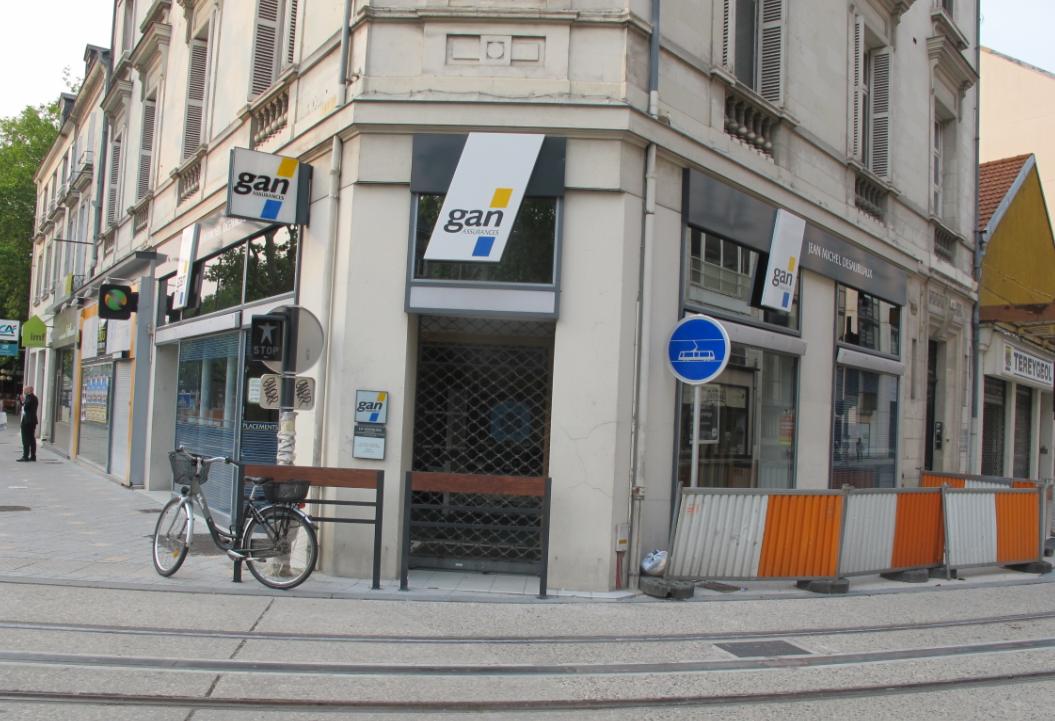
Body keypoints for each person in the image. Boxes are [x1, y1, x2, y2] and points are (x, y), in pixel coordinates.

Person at [17, 386, 38, 462]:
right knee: (32, 438)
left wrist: (23, 400)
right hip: (32, 420)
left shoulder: (30, 397)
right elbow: (24, 405)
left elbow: (26, 407)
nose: (24, 391)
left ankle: (25, 456)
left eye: (25, 390)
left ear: (29, 390)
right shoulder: (34, 398)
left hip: (27, 421)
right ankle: (33, 456)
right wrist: (22, 401)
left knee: (25, 439)